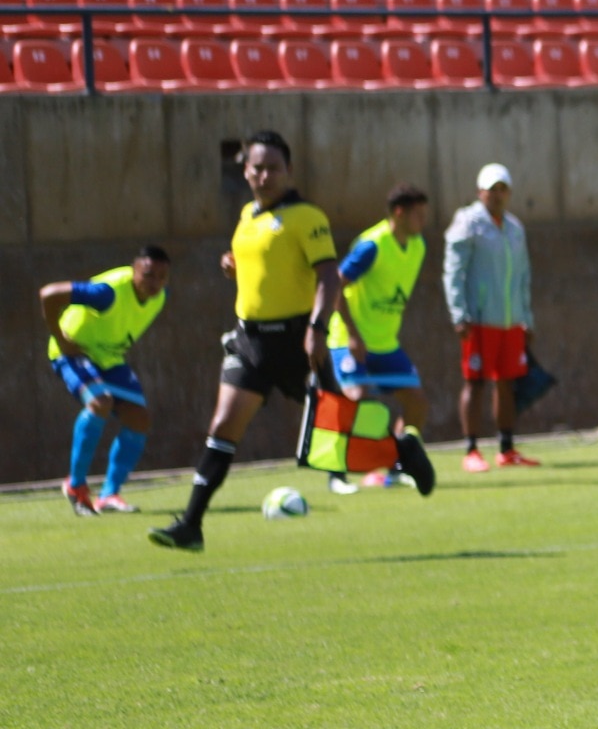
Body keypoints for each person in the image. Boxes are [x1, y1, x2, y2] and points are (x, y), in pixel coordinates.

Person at [149, 130, 340, 552]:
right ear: (246, 170)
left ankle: (402, 453)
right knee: (222, 427)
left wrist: (318, 328)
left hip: (294, 341)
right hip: (249, 342)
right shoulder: (247, 216)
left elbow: (329, 275)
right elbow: (262, 264)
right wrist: (234, 266)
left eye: (274, 167)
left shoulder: (307, 216)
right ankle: (191, 525)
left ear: (288, 171)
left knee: (344, 438)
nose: (265, 174)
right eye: (257, 167)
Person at [326, 182, 438, 495]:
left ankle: (398, 464)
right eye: (418, 214)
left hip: (385, 343)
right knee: (355, 400)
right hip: (348, 339)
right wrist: (351, 333)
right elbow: (335, 285)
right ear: (398, 213)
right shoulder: (372, 245)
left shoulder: (418, 246)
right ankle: (336, 474)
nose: (423, 220)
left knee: (416, 403)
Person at [42, 245, 170, 516]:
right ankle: (75, 485)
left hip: (108, 358)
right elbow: (49, 294)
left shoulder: (160, 297)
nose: (155, 283)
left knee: (139, 419)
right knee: (100, 402)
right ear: (134, 270)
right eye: (148, 275)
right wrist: (61, 339)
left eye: (161, 277)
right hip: (74, 350)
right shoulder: (107, 293)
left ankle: (109, 495)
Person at [443, 163, 539, 471]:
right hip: (479, 320)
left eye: (502, 189)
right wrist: (460, 314)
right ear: (479, 191)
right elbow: (453, 272)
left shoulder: (514, 228)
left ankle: (506, 448)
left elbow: (523, 276)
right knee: (475, 383)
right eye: (491, 189)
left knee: (506, 383)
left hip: (510, 320)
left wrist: (526, 317)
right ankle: (471, 450)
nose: (497, 195)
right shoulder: (467, 222)